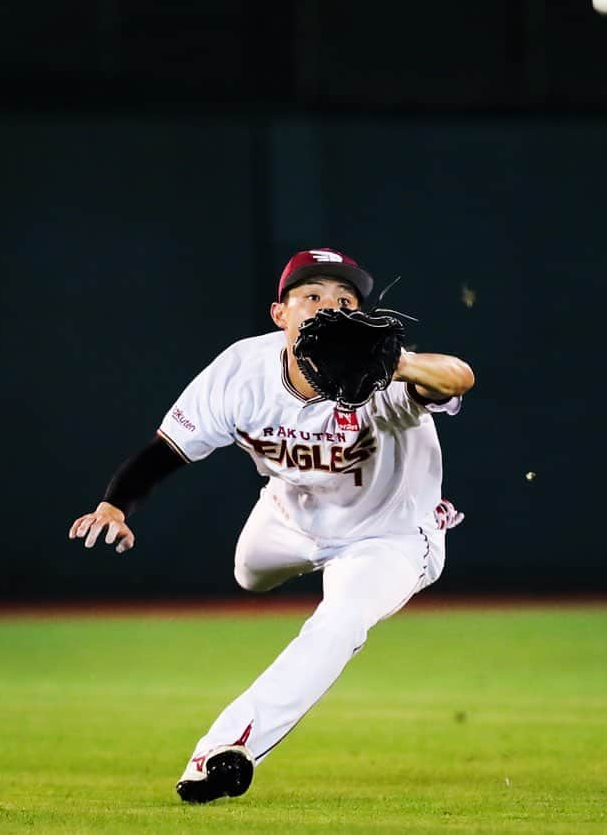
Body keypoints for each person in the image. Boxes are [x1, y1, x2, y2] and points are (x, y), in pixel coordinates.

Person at [68, 247, 475, 803]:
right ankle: (279, 560)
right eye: (312, 296)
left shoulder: (386, 372)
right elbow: (168, 449)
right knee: (249, 574)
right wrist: (115, 504)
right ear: (280, 314)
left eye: (344, 299)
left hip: (389, 536)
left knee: (340, 622)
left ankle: (221, 751)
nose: (329, 307)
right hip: (288, 515)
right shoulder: (242, 370)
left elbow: (458, 377)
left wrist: (399, 362)